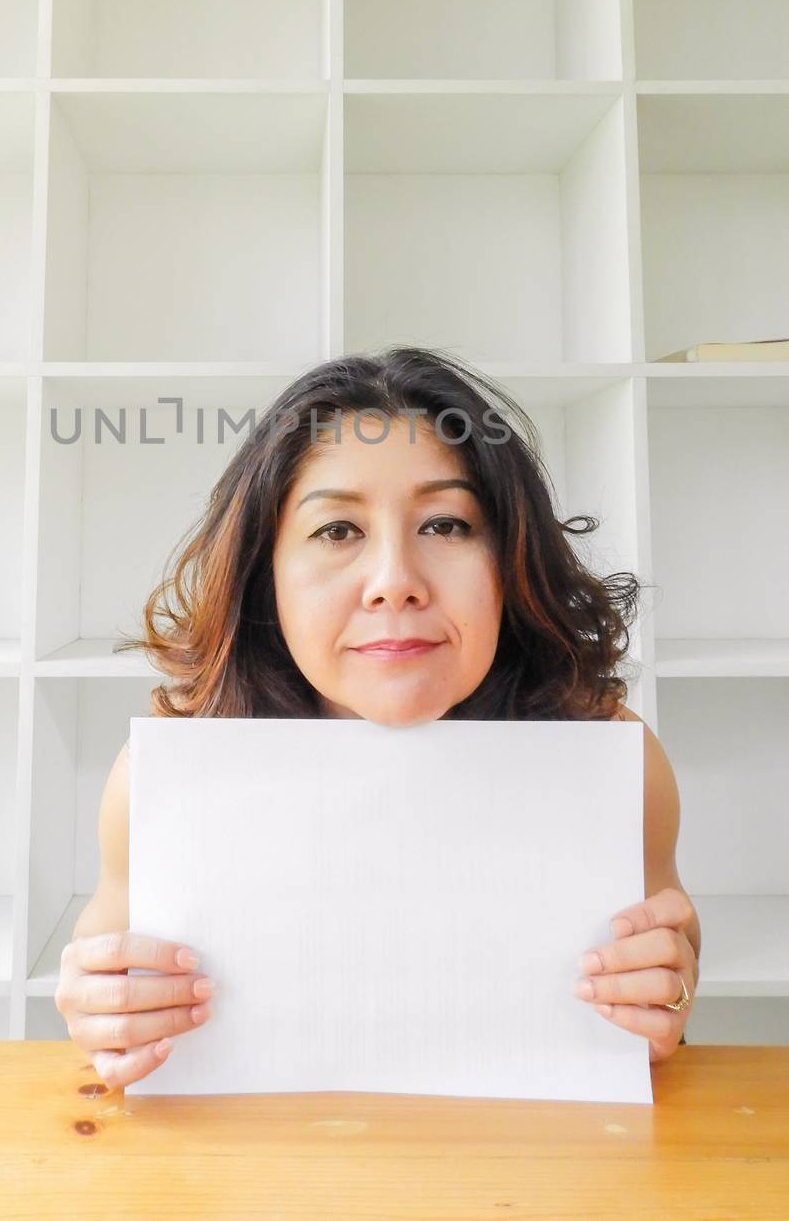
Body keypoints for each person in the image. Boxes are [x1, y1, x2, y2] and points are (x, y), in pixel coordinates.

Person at [54, 345, 702, 1088]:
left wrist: (667, 995)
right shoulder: (163, 777)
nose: (395, 583)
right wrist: (99, 1011)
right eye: (338, 531)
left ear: (511, 560)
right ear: (266, 574)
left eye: (447, 526)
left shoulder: (613, 759)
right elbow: (104, 972)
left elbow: (676, 954)